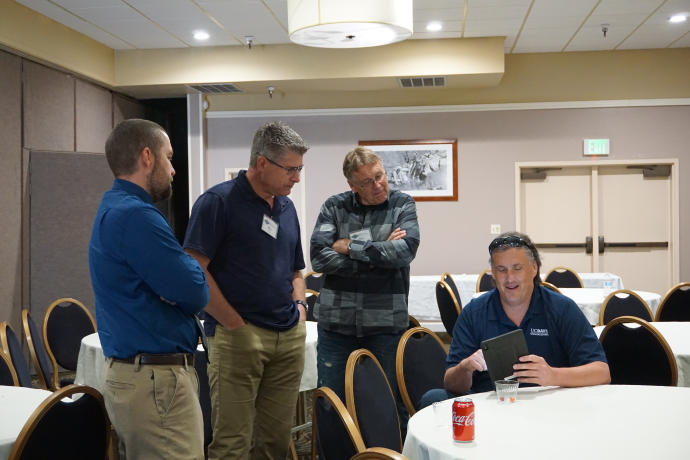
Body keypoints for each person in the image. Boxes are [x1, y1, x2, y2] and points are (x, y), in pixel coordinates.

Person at [184, 121, 309, 460]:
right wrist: (234, 324)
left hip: (287, 333)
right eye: (291, 169)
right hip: (238, 336)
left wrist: (300, 306)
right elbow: (194, 268)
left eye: (299, 168)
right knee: (232, 443)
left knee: (275, 441)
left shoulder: (286, 206)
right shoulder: (218, 202)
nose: (296, 177)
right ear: (262, 163)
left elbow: (297, 269)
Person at [89, 119, 210, 460]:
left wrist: (178, 282)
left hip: (142, 377)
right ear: (147, 157)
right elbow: (196, 291)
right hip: (156, 382)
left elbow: (182, 286)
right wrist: (185, 280)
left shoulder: (113, 207)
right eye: (169, 157)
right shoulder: (137, 216)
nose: (173, 169)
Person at [420, 231, 610, 408]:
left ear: (534, 268)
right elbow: (451, 382)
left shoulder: (561, 308)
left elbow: (601, 372)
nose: (509, 278)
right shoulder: (474, 312)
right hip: (489, 405)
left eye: (517, 269)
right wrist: (466, 367)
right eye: (501, 270)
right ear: (493, 274)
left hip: (548, 405)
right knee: (433, 398)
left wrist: (553, 375)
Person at [310, 146, 421, 423]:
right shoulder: (334, 206)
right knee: (332, 405)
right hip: (336, 324)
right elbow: (318, 258)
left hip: (385, 324)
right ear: (352, 185)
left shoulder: (402, 204)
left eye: (380, 176)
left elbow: (405, 251)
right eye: (367, 182)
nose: (377, 185)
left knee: (387, 405)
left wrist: (348, 247)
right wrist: (375, 256)